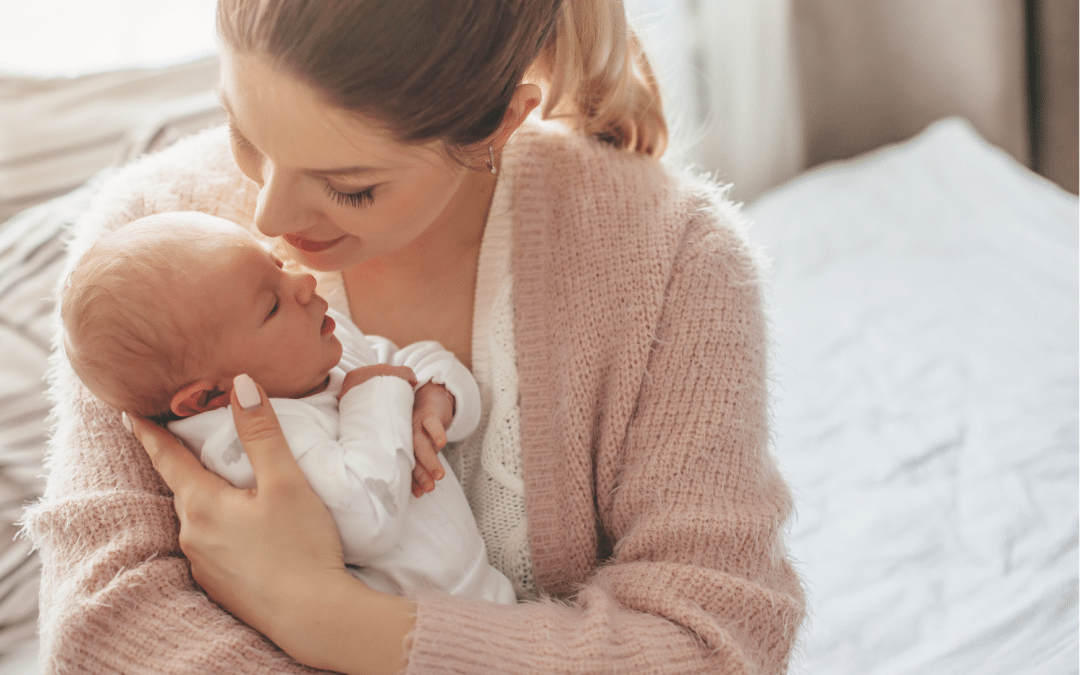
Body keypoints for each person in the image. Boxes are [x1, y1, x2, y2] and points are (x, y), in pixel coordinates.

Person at [25, 1, 807, 673]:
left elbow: (713, 643)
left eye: (351, 186)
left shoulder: (673, 261)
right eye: (244, 132)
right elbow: (103, 630)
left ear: (500, 122)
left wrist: (328, 619)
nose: (268, 220)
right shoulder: (145, 251)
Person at [58, 212, 516, 605]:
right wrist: (376, 393)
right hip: (415, 629)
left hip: (484, 591)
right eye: (272, 306)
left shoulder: (318, 352)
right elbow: (368, 521)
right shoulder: (245, 446)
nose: (302, 282)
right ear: (206, 398)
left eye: (276, 263)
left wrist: (437, 396)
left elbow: (411, 360)